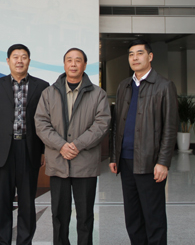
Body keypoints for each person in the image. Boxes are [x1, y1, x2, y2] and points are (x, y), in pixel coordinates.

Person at [35, 48, 111, 245]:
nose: (73, 64)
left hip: (85, 164)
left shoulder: (98, 94)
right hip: (58, 162)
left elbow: (102, 124)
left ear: (85, 65)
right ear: (64, 64)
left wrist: (77, 145)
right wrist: (61, 146)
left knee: (85, 216)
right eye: (69, 60)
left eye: (78, 60)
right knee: (59, 215)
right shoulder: (49, 93)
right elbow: (41, 123)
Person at [109, 39, 179, 245]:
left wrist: (163, 162)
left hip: (150, 162)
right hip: (126, 161)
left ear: (150, 56)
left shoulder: (164, 86)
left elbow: (170, 127)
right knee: (132, 217)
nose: (135, 58)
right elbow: (116, 124)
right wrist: (114, 156)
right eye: (131, 54)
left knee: (153, 217)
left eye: (140, 53)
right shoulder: (124, 86)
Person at [0, 44, 49, 245]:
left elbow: (46, 120)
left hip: (29, 149)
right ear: (8, 61)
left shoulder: (42, 86)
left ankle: (25, 241)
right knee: (3, 200)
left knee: (27, 201)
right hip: (3, 149)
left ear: (29, 60)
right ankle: (1, 241)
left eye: (23, 57)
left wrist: (43, 150)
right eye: (15, 56)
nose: (19, 60)